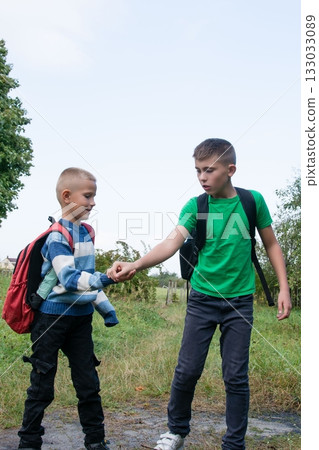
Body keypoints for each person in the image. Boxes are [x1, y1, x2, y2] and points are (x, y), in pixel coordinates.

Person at [107, 138, 292, 450]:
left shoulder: (251, 202)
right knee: (187, 370)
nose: (203, 177)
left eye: (209, 170)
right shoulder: (196, 206)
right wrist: (137, 264)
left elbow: (271, 244)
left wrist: (283, 286)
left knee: (235, 376)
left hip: (239, 301)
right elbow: (171, 242)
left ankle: (234, 443)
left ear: (230, 170)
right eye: (197, 171)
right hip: (203, 299)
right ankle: (176, 432)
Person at [18, 167, 122, 450]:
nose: (93, 202)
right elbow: (70, 279)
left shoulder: (87, 233)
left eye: (93, 196)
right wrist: (107, 278)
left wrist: (105, 309)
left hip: (81, 320)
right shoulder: (57, 237)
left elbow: (86, 278)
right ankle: (29, 443)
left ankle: (96, 441)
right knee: (42, 385)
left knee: (88, 383)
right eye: (88, 196)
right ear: (67, 196)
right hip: (51, 319)